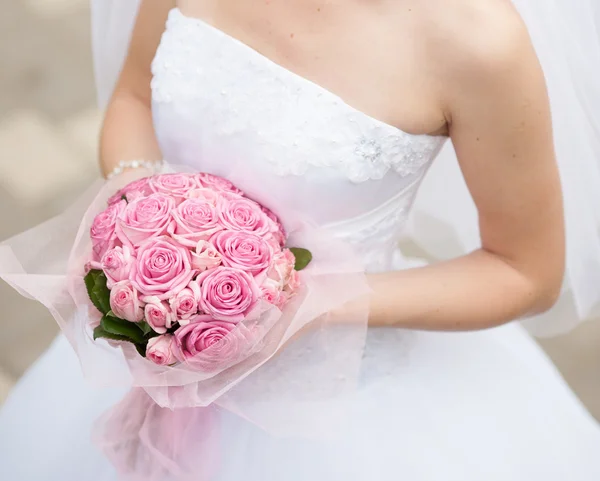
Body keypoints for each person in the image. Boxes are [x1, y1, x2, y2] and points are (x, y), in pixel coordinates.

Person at [1, 0, 600, 479]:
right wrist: (143, 214)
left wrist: (318, 304)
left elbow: (525, 271)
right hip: (153, 348)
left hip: (338, 408)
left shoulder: (478, 39)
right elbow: (133, 95)